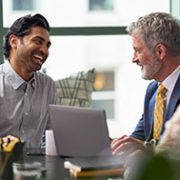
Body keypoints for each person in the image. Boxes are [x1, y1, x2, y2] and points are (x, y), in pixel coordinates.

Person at [111, 12, 180, 155]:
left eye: (137, 50)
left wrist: (145, 149)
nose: (133, 59)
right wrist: (114, 144)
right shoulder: (154, 90)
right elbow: (136, 140)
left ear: (160, 51)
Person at [0, 14, 58, 149]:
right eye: (38, 41)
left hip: (35, 167)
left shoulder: (48, 85)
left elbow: (54, 135)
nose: (44, 50)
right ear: (13, 41)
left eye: (47, 45)